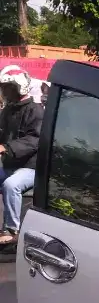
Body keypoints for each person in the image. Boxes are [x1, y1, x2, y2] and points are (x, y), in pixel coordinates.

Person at [0, 67, 43, 247]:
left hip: (31, 167)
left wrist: (5, 147)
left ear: (20, 87)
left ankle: (12, 230)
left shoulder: (36, 111)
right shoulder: (7, 111)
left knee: (11, 185)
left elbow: (35, 139)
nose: (4, 92)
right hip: (11, 164)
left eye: (8, 87)